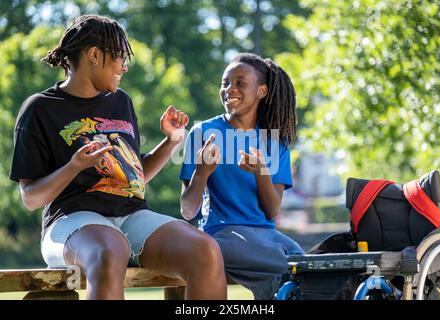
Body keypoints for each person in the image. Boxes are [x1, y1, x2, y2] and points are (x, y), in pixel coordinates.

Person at [9, 15, 226, 300]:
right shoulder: (39, 109)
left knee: (205, 250)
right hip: (71, 222)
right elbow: (31, 198)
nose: (124, 67)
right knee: (109, 249)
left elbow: (133, 177)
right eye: (120, 57)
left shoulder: (120, 101)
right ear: (95, 55)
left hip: (131, 216)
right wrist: (75, 166)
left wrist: (173, 141)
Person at [180, 53, 304, 300]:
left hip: (266, 235)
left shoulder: (275, 140)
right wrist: (202, 173)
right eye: (225, 83)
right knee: (286, 270)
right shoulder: (203, 132)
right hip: (220, 235)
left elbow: (271, 211)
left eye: (239, 83)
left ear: (261, 91)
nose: (229, 89)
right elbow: (188, 211)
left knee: (310, 268)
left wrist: (262, 173)